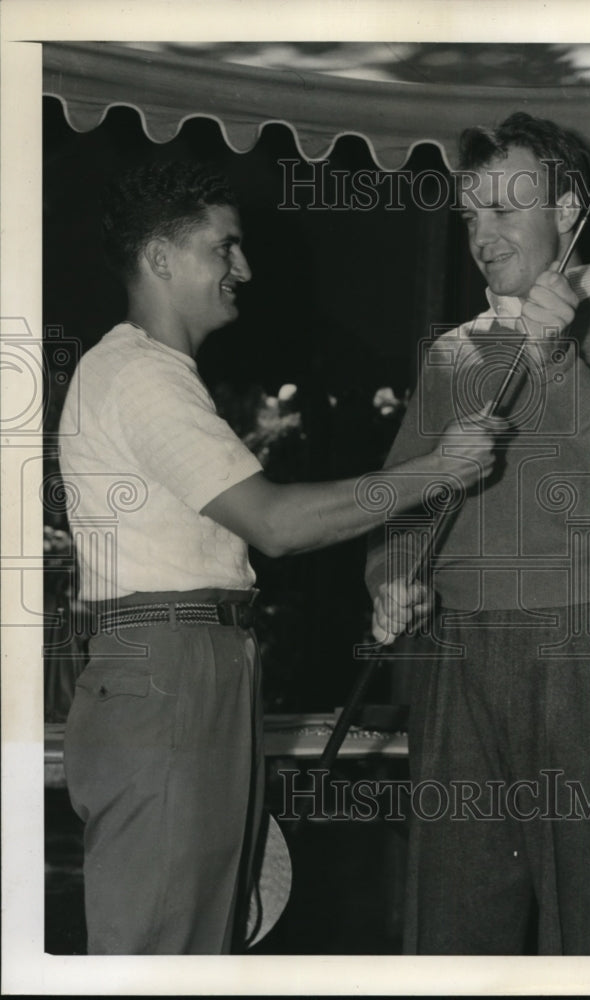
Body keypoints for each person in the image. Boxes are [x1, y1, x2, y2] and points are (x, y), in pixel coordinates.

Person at [57, 160, 504, 955]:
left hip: (193, 660)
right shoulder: (139, 377)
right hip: (171, 666)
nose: (245, 270)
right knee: (160, 955)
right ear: (160, 257)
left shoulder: (151, 375)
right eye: (223, 248)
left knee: (199, 943)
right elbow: (277, 523)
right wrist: (440, 469)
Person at [365, 112, 590, 955]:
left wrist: (556, 361)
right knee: (451, 925)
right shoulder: (451, 353)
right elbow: (401, 503)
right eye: (471, 214)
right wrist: (390, 576)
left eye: (507, 208)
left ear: (570, 210)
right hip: (459, 655)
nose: (483, 234)